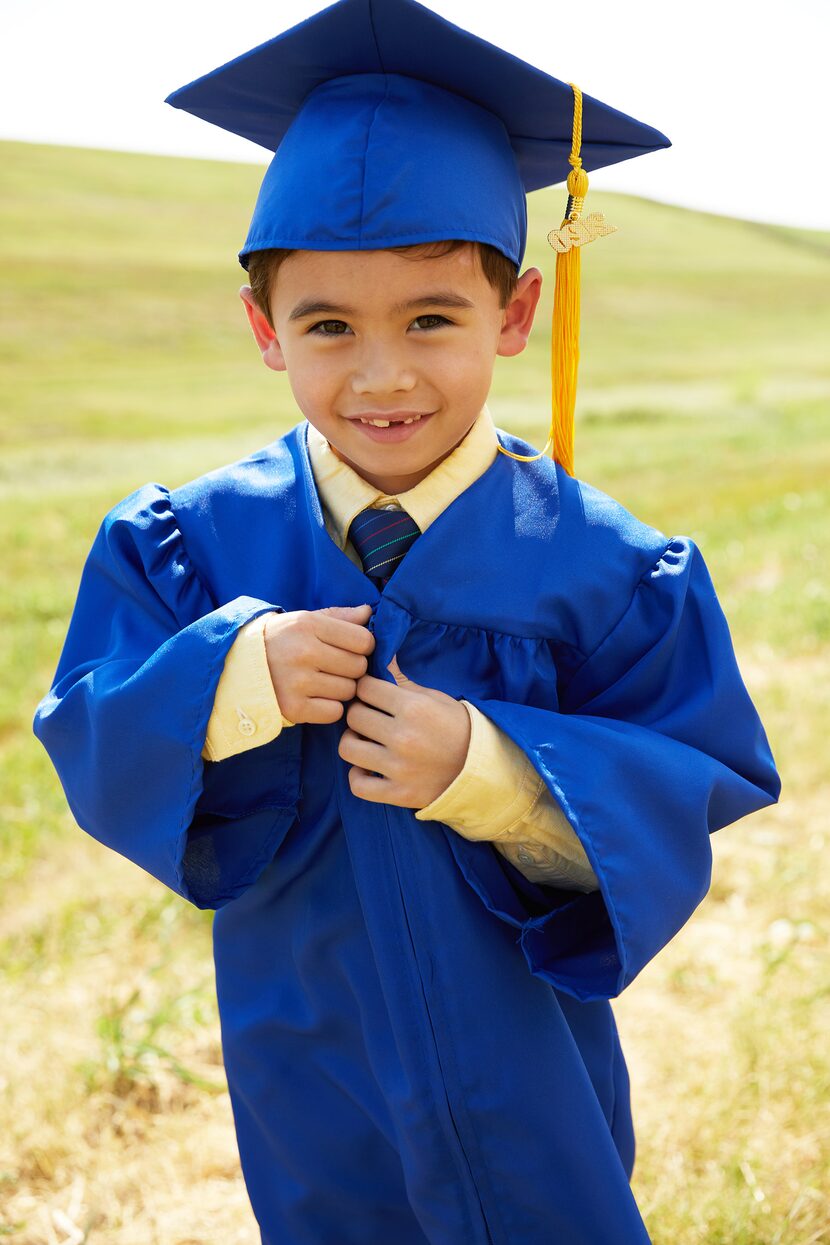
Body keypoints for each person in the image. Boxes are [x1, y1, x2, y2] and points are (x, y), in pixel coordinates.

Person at [32, 1, 782, 1241]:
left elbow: (695, 777)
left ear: (515, 313)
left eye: (431, 318)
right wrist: (230, 675)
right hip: (303, 1040)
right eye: (328, 326)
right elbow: (89, 736)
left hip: (524, 1050)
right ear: (266, 332)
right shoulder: (191, 548)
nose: (382, 375)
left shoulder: (606, 566)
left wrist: (494, 770)